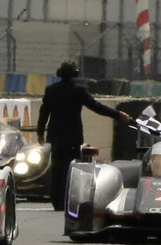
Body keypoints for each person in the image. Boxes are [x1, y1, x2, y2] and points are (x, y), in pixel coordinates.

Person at [36, 60, 120, 210]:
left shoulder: (51, 90)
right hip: (73, 137)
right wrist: (118, 115)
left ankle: (57, 201)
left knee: (56, 169)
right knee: (71, 169)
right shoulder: (79, 90)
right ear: (75, 74)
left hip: (55, 136)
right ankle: (68, 199)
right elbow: (97, 107)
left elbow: (44, 113)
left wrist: (40, 133)